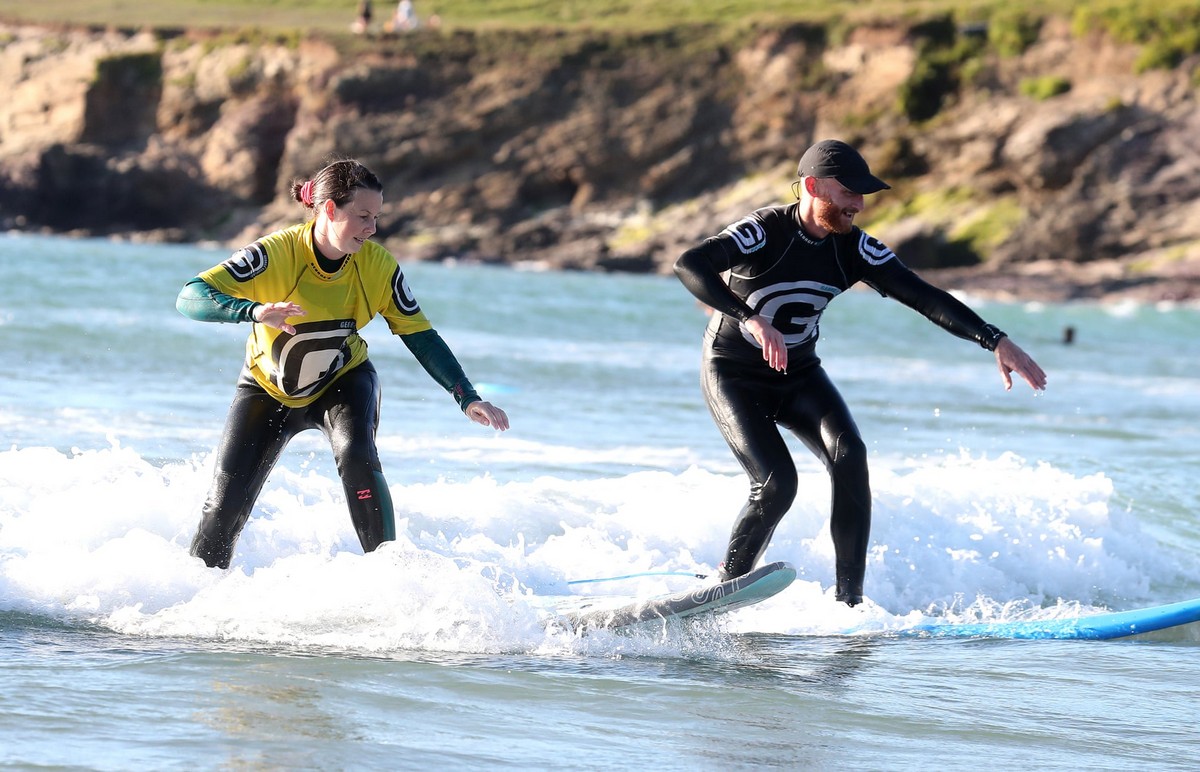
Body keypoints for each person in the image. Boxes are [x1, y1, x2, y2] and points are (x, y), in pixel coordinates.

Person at [673, 139, 1046, 607]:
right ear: (811, 186)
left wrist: (995, 339)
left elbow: (924, 296)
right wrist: (749, 316)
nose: (858, 204)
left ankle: (849, 603)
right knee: (777, 484)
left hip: (798, 374)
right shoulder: (764, 231)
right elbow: (689, 263)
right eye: (849, 192)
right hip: (732, 370)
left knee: (851, 456)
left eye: (863, 194)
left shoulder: (855, 250)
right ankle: (723, 584)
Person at [177, 158, 509, 569]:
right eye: (363, 216)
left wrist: (466, 397)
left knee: (356, 453)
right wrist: (253, 311)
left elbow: (419, 334)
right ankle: (194, 606)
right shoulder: (275, 253)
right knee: (221, 511)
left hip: (343, 380)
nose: (371, 229)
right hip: (265, 388)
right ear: (330, 209)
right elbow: (191, 296)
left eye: (377, 218)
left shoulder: (378, 266)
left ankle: (390, 577)